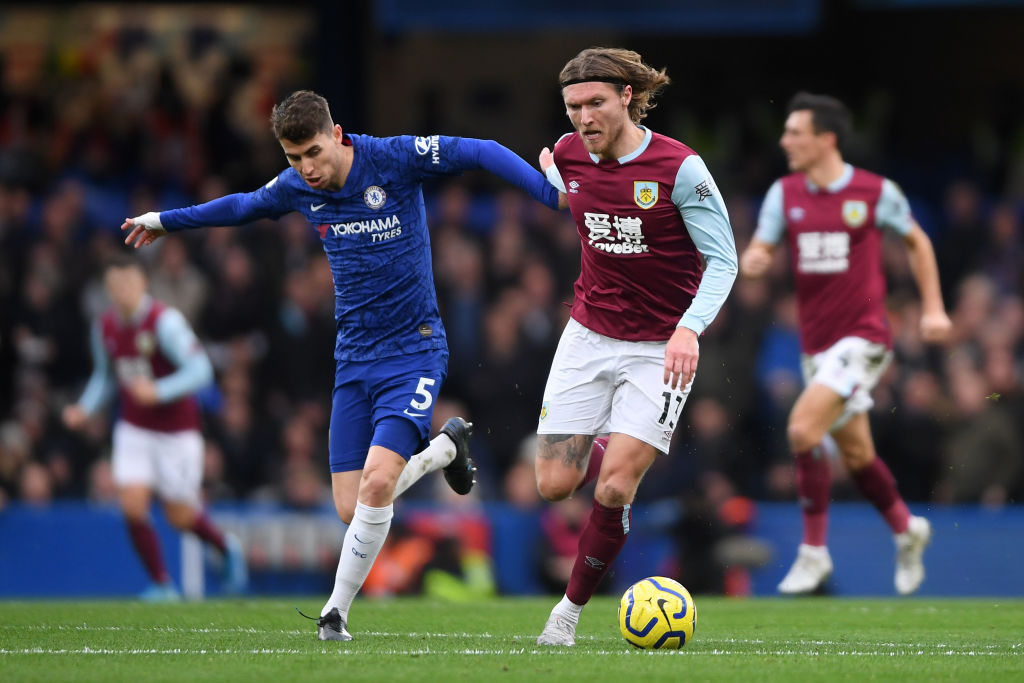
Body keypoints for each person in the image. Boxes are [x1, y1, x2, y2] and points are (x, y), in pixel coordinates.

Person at [122, 90, 562, 640]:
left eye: (312, 152)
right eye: (293, 158)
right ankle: (444, 449)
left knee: (377, 485)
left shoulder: (394, 159)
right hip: (353, 361)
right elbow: (239, 206)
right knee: (352, 508)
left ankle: (335, 613)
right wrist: (166, 220)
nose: (306, 168)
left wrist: (548, 191)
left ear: (336, 134)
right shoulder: (296, 190)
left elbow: (481, 149)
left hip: (415, 350)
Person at [533, 47, 738, 646]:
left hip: (659, 349)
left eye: (595, 102)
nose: (582, 117)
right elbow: (574, 194)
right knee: (552, 485)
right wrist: (550, 174)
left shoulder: (681, 168)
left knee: (616, 486)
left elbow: (724, 261)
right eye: (573, 106)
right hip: (588, 336)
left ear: (626, 97)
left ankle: (565, 617)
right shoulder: (570, 154)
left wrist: (688, 328)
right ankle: (620, 432)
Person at [739, 92, 953, 595]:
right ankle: (907, 528)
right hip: (816, 347)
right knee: (856, 455)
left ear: (826, 139)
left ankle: (814, 553)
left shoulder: (875, 192)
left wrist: (935, 308)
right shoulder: (784, 194)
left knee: (800, 429)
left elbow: (917, 241)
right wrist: (756, 258)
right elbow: (763, 245)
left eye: (795, 132)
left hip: (865, 340)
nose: (785, 140)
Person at [62, 255, 248, 600]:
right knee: (132, 503)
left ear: (143, 283)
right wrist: (84, 408)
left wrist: (159, 390)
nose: (122, 291)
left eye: (128, 283)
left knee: (179, 515)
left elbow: (200, 370)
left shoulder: (164, 322)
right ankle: (162, 584)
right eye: (115, 285)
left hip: (176, 431)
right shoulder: (104, 326)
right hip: (133, 427)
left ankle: (225, 547)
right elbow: (105, 377)